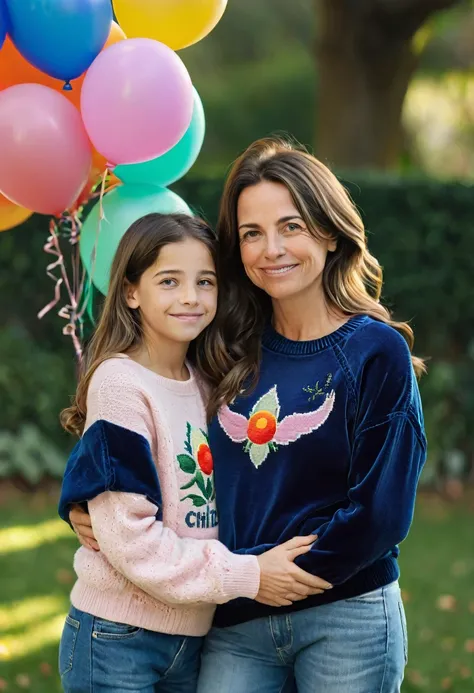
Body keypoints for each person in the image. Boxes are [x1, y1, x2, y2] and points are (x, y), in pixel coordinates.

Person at [70, 138, 427, 693]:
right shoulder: (227, 348)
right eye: (251, 234)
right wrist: (84, 503)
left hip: (346, 612)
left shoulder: (375, 352)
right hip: (236, 619)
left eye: (291, 226)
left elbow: (381, 510)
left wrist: (282, 578)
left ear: (329, 231)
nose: (271, 249)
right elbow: (149, 426)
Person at [57, 212, 331, 693]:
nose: (190, 298)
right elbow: (132, 541)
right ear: (130, 292)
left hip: (191, 636)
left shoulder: (208, 384)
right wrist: (248, 575)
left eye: (205, 282)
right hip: (119, 636)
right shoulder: (121, 383)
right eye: (169, 281)